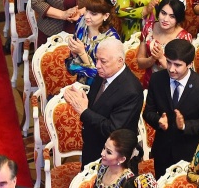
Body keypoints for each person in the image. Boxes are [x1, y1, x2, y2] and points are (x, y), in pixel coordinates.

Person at [62, 37, 145, 166]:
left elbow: (113, 129)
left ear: (120, 61)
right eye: (97, 59)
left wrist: (84, 111)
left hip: (114, 160)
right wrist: (83, 99)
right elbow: (99, 104)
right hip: (92, 149)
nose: (97, 65)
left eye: (103, 61)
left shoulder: (131, 90)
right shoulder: (104, 74)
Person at [143, 38, 199, 175]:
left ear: (190, 64)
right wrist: (158, 120)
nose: (171, 69)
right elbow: (148, 112)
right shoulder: (157, 80)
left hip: (189, 153)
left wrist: (184, 126)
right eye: (169, 62)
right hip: (162, 151)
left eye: (177, 65)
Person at [66, 0, 121, 84]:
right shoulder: (82, 23)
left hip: (100, 88)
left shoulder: (112, 40)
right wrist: (74, 54)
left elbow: (103, 76)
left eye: (93, 14)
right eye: (87, 10)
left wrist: (82, 53)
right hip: (80, 83)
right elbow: (71, 66)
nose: (86, 16)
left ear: (106, 16)